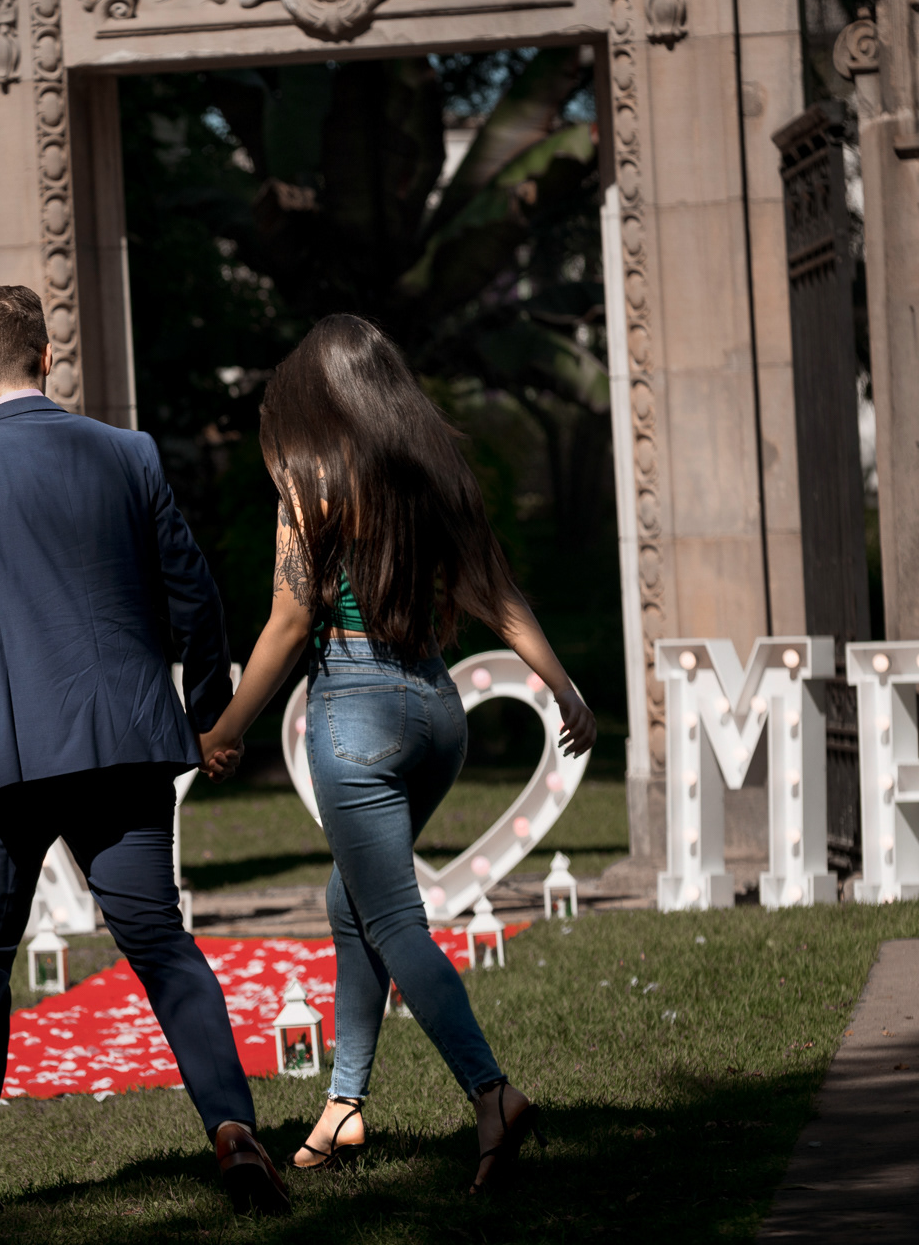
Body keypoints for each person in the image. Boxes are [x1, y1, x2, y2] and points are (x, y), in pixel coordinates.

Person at [0, 284, 291, 1220]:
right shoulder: (130, 452)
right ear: (45, 358)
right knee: (158, 941)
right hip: (127, 743)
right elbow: (192, 590)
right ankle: (235, 1132)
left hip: (0, 756)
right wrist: (204, 713)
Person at [197, 314, 597, 1192]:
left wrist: (226, 730)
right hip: (436, 712)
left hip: (356, 717)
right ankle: (344, 1106)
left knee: (391, 920)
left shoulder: (312, 479)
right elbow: (496, 590)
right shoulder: (432, 471)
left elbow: (292, 617)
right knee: (352, 899)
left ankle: (491, 1093)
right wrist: (564, 687)